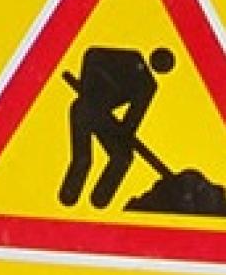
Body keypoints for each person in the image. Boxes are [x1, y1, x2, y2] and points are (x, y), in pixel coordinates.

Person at [58, 46, 175, 208]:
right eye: (162, 60)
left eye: (166, 64)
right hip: (85, 107)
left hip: (104, 117)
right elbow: (91, 54)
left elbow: (133, 118)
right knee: (83, 158)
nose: (161, 65)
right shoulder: (131, 58)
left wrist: (124, 134)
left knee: (123, 156)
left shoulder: (149, 85)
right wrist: (87, 88)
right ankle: (68, 196)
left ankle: (100, 199)